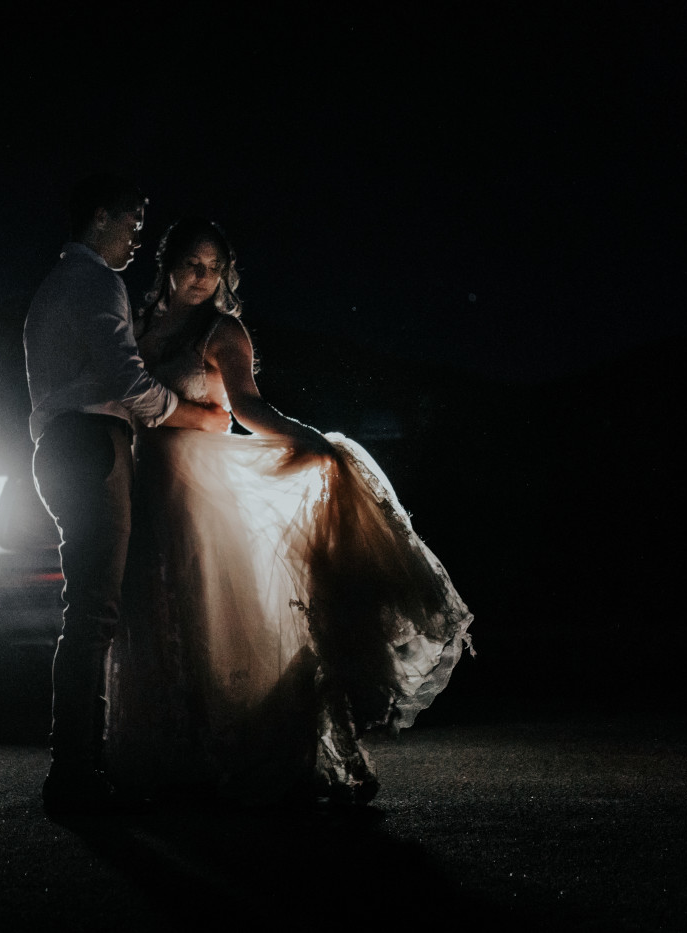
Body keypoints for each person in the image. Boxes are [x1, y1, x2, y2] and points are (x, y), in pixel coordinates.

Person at [105, 218, 474, 805]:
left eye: (214, 266)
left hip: (198, 482)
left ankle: (236, 751)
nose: (202, 277)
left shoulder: (222, 330)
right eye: (191, 264)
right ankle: (170, 752)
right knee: (154, 611)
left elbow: (244, 407)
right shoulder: (139, 322)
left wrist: (310, 439)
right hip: (144, 478)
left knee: (208, 612)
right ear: (166, 265)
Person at [24, 177, 231, 813]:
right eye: (133, 219)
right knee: (93, 615)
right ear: (99, 214)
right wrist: (192, 418)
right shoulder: (95, 282)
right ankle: (74, 773)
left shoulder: (52, 287)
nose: (139, 233)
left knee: (89, 610)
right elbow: (128, 381)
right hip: (91, 444)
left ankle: (81, 763)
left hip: (62, 444)